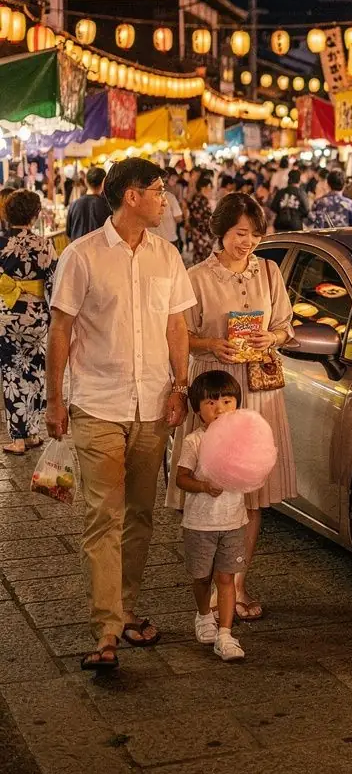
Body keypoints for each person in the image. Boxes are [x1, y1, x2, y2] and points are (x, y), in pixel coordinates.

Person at [45, 158, 195, 673]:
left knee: (140, 515)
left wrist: (180, 385)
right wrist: (55, 400)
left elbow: (177, 326)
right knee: (102, 516)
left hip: (152, 405)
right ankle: (107, 628)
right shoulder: (82, 257)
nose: (165, 200)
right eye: (157, 191)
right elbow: (60, 331)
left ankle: (127, 606)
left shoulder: (168, 256)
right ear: (131, 196)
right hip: (98, 405)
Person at [166, 192, 297, 620]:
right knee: (211, 487)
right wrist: (211, 344)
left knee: (253, 495)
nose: (249, 242)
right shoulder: (196, 276)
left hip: (257, 391)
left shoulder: (271, 271)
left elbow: (285, 327)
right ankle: (209, 582)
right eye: (242, 233)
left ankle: (238, 584)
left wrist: (271, 339)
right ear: (221, 231)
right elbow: (179, 335)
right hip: (216, 391)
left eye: (256, 235)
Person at [174, 370, 248, 662]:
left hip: (233, 521)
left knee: (226, 578)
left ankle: (226, 634)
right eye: (211, 404)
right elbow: (181, 479)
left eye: (227, 402)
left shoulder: (244, 440)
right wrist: (204, 486)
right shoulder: (194, 441)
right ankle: (204, 615)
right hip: (200, 523)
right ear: (198, 409)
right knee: (201, 577)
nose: (220, 410)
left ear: (237, 406)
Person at [0, 191, 56, 455]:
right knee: (35, 371)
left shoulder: (0, 243)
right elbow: (54, 283)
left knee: (12, 374)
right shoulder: (43, 244)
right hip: (35, 316)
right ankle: (33, 433)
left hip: (6, 315)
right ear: (34, 215)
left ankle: (18, 438)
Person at [66, 166, 110, 241]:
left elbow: (68, 232)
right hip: (100, 250)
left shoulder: (74, 204)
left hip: (78, 250)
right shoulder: (108, 205)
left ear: (86, 181)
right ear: (104, 182)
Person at [187, 171, 215, 264]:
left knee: (198, 256)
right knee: (204, 258)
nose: (210, 190)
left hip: (197, 233)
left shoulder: (196, 198)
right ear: (203, 188)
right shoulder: (202, 200)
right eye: (209, 188)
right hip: (202, 234)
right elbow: (206, 220)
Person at [155, 172, 184, 247]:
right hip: (169, 238)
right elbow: (178, 218)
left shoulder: (144, 197)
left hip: (152, 239)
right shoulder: (170, 197)